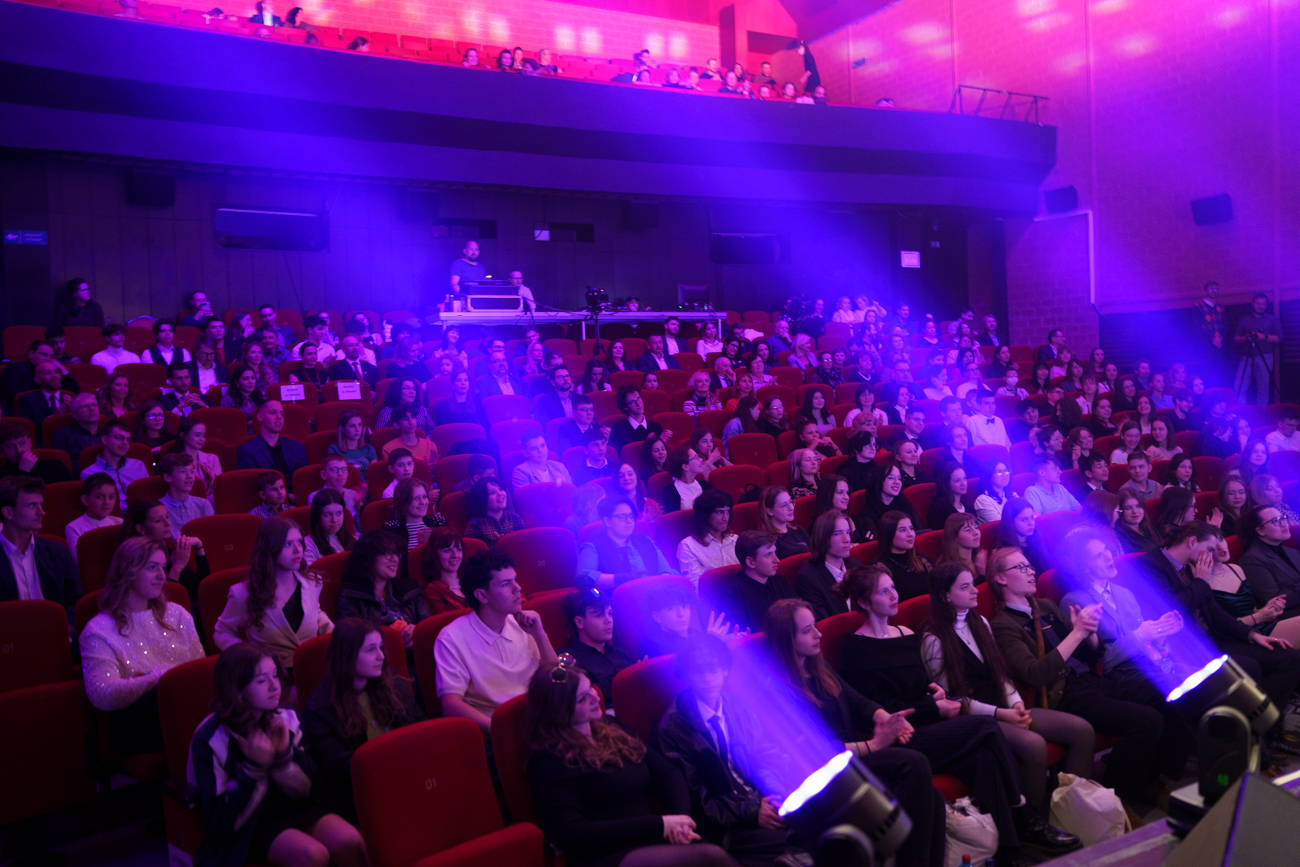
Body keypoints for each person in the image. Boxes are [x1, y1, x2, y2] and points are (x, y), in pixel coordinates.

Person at [764, 598, 962, 867]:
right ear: (786, 640)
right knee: (913, 763)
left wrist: (887, 718)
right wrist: (875, 744)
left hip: (850, 762)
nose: (818, 634)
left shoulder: (817, 667)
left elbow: (858, 702)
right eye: (807, 630)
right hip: (822, 773)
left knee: (933, 797)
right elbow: (816, 750)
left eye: (815, 626)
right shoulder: (776, 690)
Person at [986, 545, 1171, 809]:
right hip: (1065, 694)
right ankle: (1115, 801)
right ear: (1000, 578)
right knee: (1145, 720)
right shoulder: (1003, 624)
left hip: (1092, 681)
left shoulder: (1046, 606)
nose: (1031, 572)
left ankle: (1148, 782)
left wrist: (1089, 633)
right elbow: (1035, 674)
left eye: (1030, 566)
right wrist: (1076, 634)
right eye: (1021, 567)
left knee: (1163, 696)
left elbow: (1093, 655)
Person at [920, 563, 1089, 847]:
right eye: (965, 587)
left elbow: (1000, 673)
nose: (975, 590)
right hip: (975, 719)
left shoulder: (980, 622)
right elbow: (953, 701)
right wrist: (1003, 714)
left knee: (1080, 730)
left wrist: (1017, 704)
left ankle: (1075, 813)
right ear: (945, 595)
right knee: (1033, 745)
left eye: (972, 583)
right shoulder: (933, 638)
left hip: (1005, 707)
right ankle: (1030, 826)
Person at [524, 658, 733, 867]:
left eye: (591, 688)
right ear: (559, 711)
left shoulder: (612, 727)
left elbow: (668, 773)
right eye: (582, 699)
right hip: (604, 854)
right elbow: (575, 834)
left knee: (719, 848)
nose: (595, 698)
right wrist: (660, 825)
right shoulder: (549, 760)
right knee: (710, 857)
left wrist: (680, 822)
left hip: (651, 839)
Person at [188, 643, 367, 867]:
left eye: (275, 675)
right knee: (313, 855)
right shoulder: (210, 738)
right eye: (261, 680)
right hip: (248, 823)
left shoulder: (288, 717)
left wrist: (283, 758)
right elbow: (219, 821)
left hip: (293, 806)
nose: (275, 686)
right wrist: (254, 768)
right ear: (237, 689)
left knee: (351, 842)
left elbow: (312, 789)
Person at [652, 636, 811, 867]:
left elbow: (767, 755)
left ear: (725, 670)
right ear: (686, 675)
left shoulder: (736, 707)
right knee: (798, 845)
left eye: (714, 669)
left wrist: (773, 794)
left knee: (823, 820)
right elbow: (693, 798)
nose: (708, 678)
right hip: (725, 825)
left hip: (760, 801)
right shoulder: (672, 728)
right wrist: (752, 811)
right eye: (698, 671)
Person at [1139, 522, 1300, 718]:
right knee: (1249, 667)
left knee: (1291, 658)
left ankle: (1261, 720)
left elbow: (1215, 612)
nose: (1213, 555)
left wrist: (1252, 634)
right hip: (1184, 646)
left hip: (1214, 638)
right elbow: (1170, 610)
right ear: (1192, 542)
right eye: (1209, 549)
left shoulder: (1192, 568)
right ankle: (1252, 723)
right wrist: (1200, 582)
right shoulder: (1150, 565)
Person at [80, 535, 206, 757]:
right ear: (128, 571)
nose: (161, 576)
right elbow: (102, 694)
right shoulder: (98, 630)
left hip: (187, 708)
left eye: (163, 567)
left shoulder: (177, 614)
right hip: (140, 722)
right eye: (152, 567)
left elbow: (200, 670)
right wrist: (159, 677)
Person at [302, 618, 423, 821]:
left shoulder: (395, 687)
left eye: (380, 647)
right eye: (370, 650)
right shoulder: (320, 709)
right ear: (347, 657)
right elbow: (337, 769)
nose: (381, 656)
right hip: (364, 797)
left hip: (411, 777)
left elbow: (421, 731)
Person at [436, 548, 557, 732]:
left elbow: (556, 677)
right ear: (482, 595)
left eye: (515, 580)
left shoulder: (523, 624)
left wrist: (540, 636)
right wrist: (501, 731)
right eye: (506, 584)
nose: (518, 588)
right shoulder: (451, 638)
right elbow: (451, 705)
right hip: (498, 731)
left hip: (541, 720)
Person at [213, 517, 333, 677]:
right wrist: (248, 658)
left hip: (314, 668)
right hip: (273, 677)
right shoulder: (243, 594)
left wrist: (336, 635)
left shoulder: (312, 582)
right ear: (269, 548)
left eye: (299, 542)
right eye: (288, 544)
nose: (297, 550)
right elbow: (222, 632)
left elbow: (315, 613)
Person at [0, 475, 82, 611]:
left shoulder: (59, 552)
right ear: (8, 512)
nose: (42, 512)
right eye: (32, 506)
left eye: (41, 505)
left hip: (55, 624)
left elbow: (76, 604)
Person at [334, 530, 428, 647]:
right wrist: (390, 638)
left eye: (396, 553)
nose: (394, 559)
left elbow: (429, 625)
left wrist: (417, 629)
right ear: (368, 558)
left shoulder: (409, 588)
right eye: (387, 553)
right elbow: (352, 640)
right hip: (379, 654)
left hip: (417, 649)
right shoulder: (350, 595)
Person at [557, 588, 634, 708]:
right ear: (579, 622)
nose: (608, 620)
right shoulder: (567, 658)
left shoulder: (621, 653)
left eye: (610, 613)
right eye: (599, 615)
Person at [577, 496, 674, 590]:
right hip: (615, 598)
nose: (629, 521)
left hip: (652, 594)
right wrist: (620, 579)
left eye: (631, 516)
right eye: (622, 517)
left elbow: (666, 571)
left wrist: (662, 585)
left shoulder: (646, 541)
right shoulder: (593, 546)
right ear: (607, 521)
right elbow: (582, 577)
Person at [716, 530, 798, 634]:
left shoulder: (779, 580)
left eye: (775, 553)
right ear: (751, 562)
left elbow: (797, 612)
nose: (777, 560)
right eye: (769, 555)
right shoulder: (734, 595)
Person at [236, 401, 308, 500]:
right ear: (260, 417)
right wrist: (287, 497)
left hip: (299, 500)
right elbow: (254, 487)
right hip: (267, 503)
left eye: (282, 414)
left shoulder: (297, 447)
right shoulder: (247, 451)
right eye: (273, 412)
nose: (279, 417)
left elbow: (304, 481)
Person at [793, 511, 853, 621]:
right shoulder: (808, 578)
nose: (847, 539)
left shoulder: (856, 567)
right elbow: (823, 624)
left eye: (848, 532)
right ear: (823, 538)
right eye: (838, 533)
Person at [79, 420, 149, 509]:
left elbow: (148, 496)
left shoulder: (139, 465)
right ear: (104, 440)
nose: (125, 443)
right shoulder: (89, 473)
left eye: (128, 439)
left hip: (141, 513)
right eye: (119, 437)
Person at [676, 489, 738, 585]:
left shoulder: (735, 540)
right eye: (719, 512)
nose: (725, 518)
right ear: (705, 515)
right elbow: (697, 585)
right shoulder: (688, 546)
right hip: (713, 594)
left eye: (727, 512)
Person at [1234, 292, 1280, 405]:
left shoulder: (1272, 320)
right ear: (1253, 304)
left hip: (1265, 356)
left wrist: (1264, 337)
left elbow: (1279, 338)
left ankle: (1261, 413)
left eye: (1263, 304)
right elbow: (1236, 338)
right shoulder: (1245, 320)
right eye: (1258, 303)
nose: (1261, 306)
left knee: (1263, 389)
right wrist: (1246, 338)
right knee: (1239, 387)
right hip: (1247, 357)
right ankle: (1242, 413)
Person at [66, 472, 123, 556]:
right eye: (99, 497)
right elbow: (78, 559)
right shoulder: (74, 527)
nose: (107, 502)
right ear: (86, 500)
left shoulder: (120, 523)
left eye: (111, 497)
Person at [158, 452, 214, 536]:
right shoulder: (159, 508)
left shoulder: (204, 505)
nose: (190, 476)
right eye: (183, 471)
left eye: (192, 471)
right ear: (167, 477)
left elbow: (211, 536)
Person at [382, 478, 445, 551]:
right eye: (415, 498)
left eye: (424, 497)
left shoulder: (438, 522)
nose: (423, 502)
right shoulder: (392, 529)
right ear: (403, 502)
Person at [0, 421, 70, 485]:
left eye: (22, 443)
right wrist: (23, 471)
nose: (18, 450)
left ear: (30, 442)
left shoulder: (55, 466)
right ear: (2, 449)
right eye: (10, 446)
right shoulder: (2, 474)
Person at [464, 477, 526, 548]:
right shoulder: (475, 525)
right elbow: (476, 553)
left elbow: (524, 545)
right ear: (482, 499)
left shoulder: (515, 518)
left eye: (501, 489)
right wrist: (499, 546)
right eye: (492, 492)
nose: (499, 493)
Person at [756, 486, 810, 559]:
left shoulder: (798, 530)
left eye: (790, 502)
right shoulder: (766, 541)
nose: (791, 508)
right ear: (770, 511)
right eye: (784, 505)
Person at [304, 488, 354, 567]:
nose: (334, 520)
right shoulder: (308, 545)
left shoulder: (353, 540)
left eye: (339, 513)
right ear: (317, 516)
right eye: (327, 515)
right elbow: (311, 572)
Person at [609, 386, 668, 453]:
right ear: (625, 407)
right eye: (633, 402)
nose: (638, 404)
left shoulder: (656, 427)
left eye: (638, 398)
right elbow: (622, 455)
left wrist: (662, 442)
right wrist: (648, 444)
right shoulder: (617, 429)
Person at [325, 411, 378, 484]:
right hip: (344, 486)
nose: (357, 429)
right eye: (352, 426)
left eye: (359, 425)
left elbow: (374, 475)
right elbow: (334, 477)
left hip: (367, 487)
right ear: (343, 429)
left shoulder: (369, 448)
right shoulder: (334, 450)